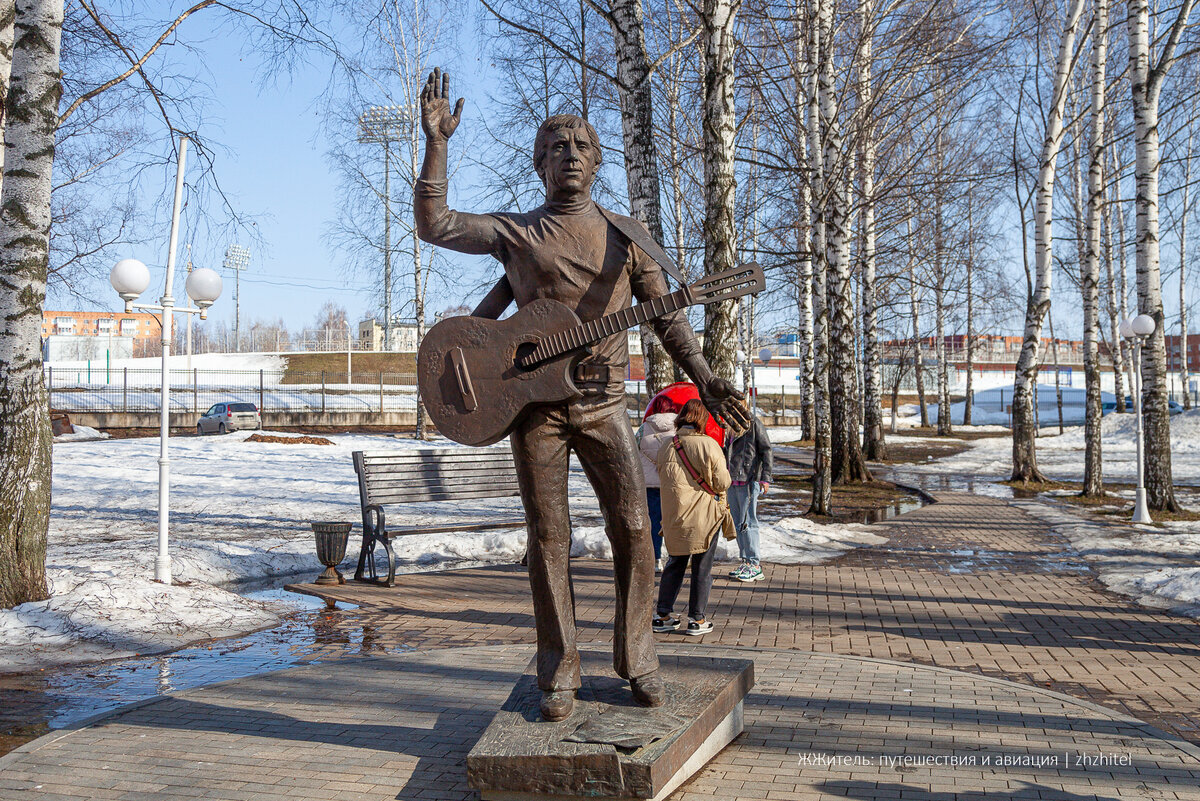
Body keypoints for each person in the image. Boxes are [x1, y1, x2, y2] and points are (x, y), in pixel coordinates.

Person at [414, 68, 749, 721]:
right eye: (556, 145)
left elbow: (667, 317)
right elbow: (436, 224)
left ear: (597, 161)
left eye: (581, 145)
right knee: (549, 538)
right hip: (532, 409)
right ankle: (559, 670)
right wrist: (437, 144)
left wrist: (706, 377)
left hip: (602, 405)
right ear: (539, 164)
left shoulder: (628, 236)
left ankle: (639, 657)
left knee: (632, 528)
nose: (569, 153)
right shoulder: (517, 233)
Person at [653, 399, 732, 636]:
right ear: (702, 419)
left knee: (675, 563)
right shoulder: (709, 445)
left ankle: (663, 614)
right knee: (702, 567)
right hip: (703, 515)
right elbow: (722, 482)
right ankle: (696, 620)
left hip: (674, 515)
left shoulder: (667, 444)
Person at [724, 412, 773, 582]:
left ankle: (754, 564)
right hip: (732, 480)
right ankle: (746, 560)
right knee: (738, 523)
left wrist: (765, 478)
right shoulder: (728, 425)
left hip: (749, 478)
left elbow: (766, 450)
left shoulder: (752, 423)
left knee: (748, 522)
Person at [636, 407, 679, 572]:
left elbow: (634, 447)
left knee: (654, 522)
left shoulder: (644, 427)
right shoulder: (678, 426)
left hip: (649, 483)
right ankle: (675, 557)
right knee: (673, 521)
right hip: (671, 481)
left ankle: (656, 560)